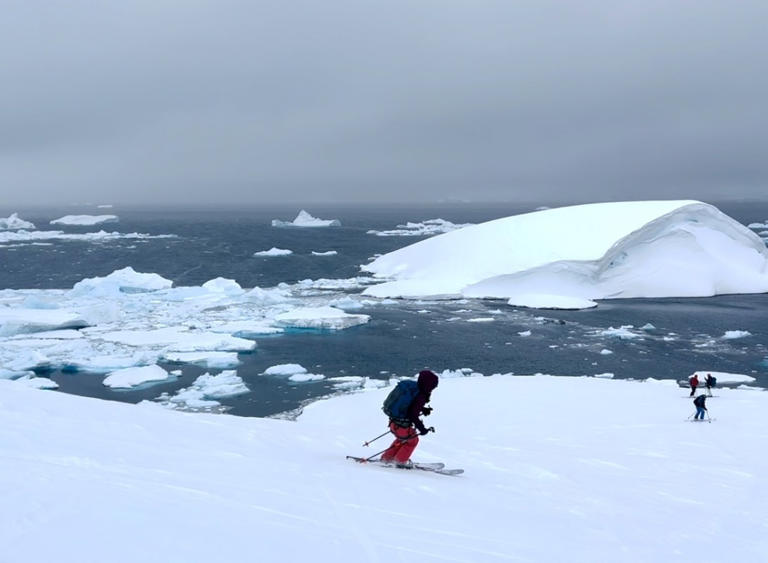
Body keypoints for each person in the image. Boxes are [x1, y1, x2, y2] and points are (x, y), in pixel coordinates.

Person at [380, 370, 438, 468]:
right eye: (432, 386)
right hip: (402, 426)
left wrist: (422, 409)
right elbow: (413, 415)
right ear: (428, 385)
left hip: (394, 422)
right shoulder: (420, 395)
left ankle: (386, 458)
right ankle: (400, 462)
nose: (432, 388)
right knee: (412, 441)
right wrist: (422, 429)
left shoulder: (413, 389)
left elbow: (411, 407)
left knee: (402, 440)